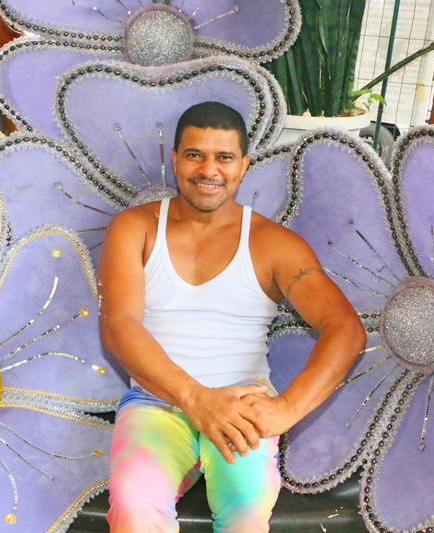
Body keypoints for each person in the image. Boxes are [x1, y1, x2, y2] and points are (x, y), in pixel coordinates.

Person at [97, 101, 366, 532]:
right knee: (134, 506)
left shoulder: (274, 244)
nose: (209, 170)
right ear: (175, 160)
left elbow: (345, 329)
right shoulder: (135, 227)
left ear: (243, 165)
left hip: (244, 406)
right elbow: (117, 326)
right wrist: (195, 399)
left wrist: (285, 410)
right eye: (194, 155)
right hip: (156, 401)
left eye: (223, 157)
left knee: (245, 506)